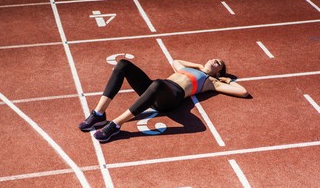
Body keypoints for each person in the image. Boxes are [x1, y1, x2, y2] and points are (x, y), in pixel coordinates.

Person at [79, 58, 249, 142]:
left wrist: (226, 80)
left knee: (158, 83)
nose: (213, 59)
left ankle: (115, 124)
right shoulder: (186, 68)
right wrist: (198, 66)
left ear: (219, 72)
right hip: (154, 90)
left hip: (171, 98)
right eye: (213, 58)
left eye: (217, 62)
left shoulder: (212, 82)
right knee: (123, 64)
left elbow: (243, 92)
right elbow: (176, 61)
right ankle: (98, 113)